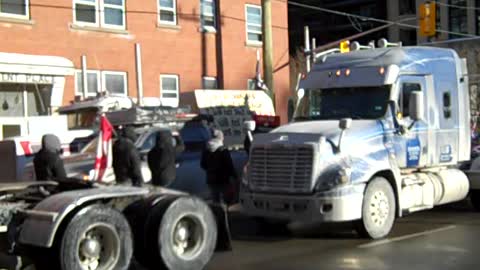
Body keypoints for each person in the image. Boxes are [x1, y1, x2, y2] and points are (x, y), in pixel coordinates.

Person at [201, 130, 237, 204]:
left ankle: (217, 214)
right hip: (223, 180)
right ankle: (226, 214)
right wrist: (234, 176)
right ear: (220, 138)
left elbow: (202, 164)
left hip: (211, 180)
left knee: (215, 201)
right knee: (228, 200)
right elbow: (229, 165)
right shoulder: (223, 150)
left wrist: (210, 170)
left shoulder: (206, 150)